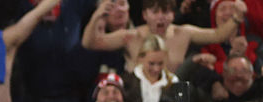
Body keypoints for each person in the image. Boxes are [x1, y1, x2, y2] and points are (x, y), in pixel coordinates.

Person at [81, 0, 246, 72]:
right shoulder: (132, 36)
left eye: (166, 12)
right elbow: (91, 43)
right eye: (155, 12)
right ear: (145, 15)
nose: (161, 17)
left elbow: (218, 35)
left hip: (174, 99)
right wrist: (97, 16)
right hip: (138, 100)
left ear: (173, 15)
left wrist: (237, 17)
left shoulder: (184, 33)